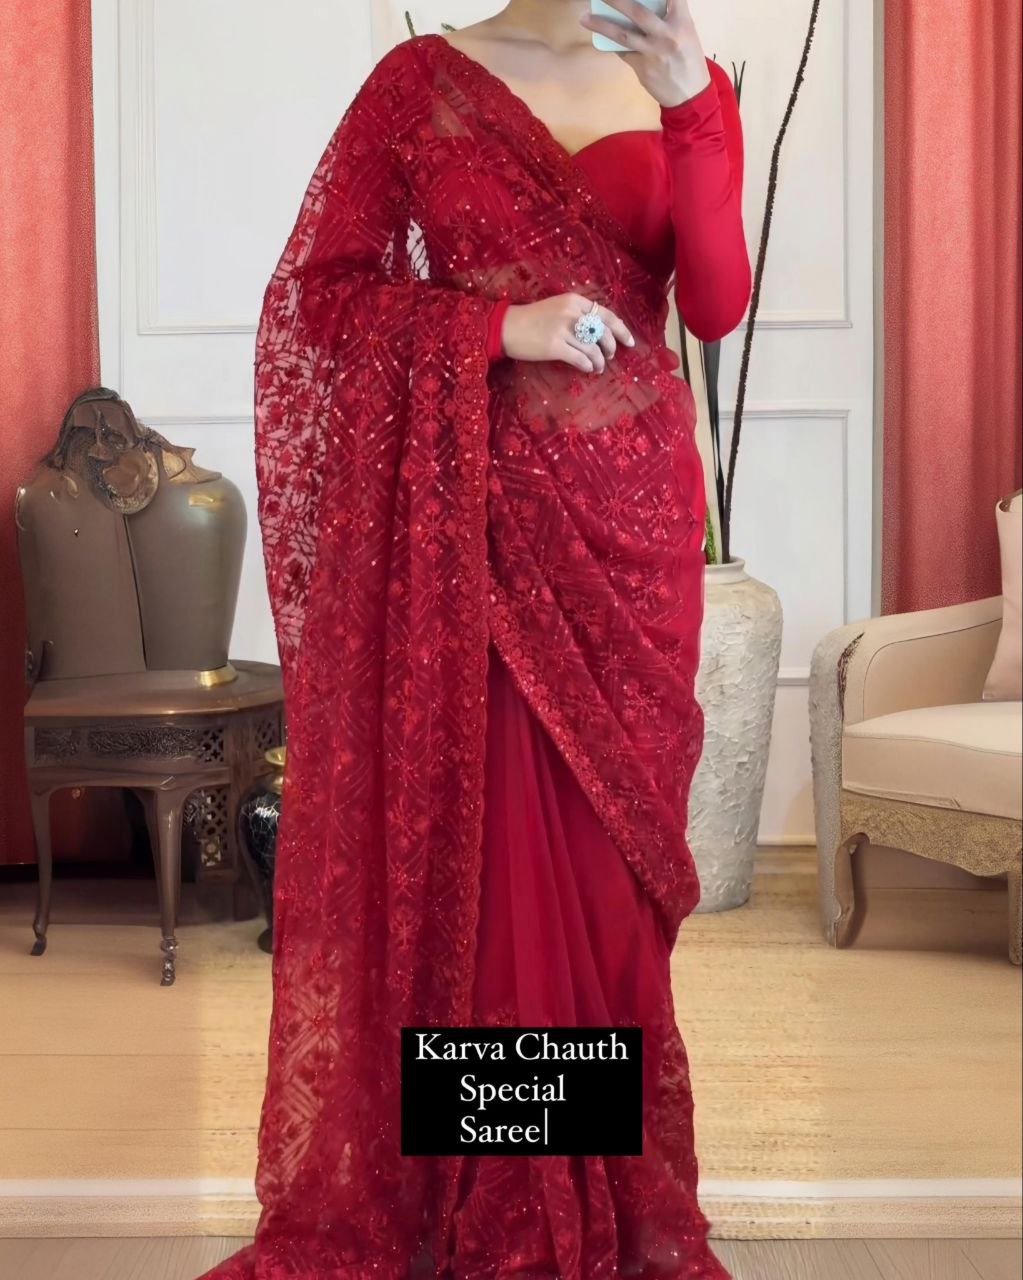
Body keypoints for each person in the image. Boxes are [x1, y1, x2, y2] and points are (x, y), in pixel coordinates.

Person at [198, 1, 750, 1276]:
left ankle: (596, 1195)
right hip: (475, 535)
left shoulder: (682, 81)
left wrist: (691, 104)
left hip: (634, 533)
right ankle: (499, 1205)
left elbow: (715, 306)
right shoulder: (421, 86)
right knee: (493, 876)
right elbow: (319, 303)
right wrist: (499, 327)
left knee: (606, 889)